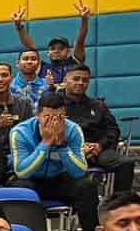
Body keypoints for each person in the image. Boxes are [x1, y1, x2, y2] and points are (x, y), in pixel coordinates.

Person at [10, 92, 100, 231]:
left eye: (59, 117)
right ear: (38, 115)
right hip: (31, 180)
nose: (54, 122)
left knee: (87, 186)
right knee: (21, 187)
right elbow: (22, 172)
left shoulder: (73, 130)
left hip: (59, 179)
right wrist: (45, 143)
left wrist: (62, 145)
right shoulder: (20, 132)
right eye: (48, 117)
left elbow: (79, 171)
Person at [56, 66, 133, 195]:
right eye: (76, 79)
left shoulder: (98, 105)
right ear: (65, 80)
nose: (80, 83)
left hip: (97, 151)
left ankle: (120, 202)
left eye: (85, 80)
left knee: (126, 163)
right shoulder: (54, 105)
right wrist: (80, 149)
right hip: (67, 152)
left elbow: (113, 130)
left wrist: (100, 145)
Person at [11, 3, 90, 84]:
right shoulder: (42, 68)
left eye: (61, 48)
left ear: (69, 52)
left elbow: (80, 41)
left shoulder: (74, 64)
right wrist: (19, 26)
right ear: (48, 53)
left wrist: (84, 20)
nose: (56, 51)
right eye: (52, 49)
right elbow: (30, 47)